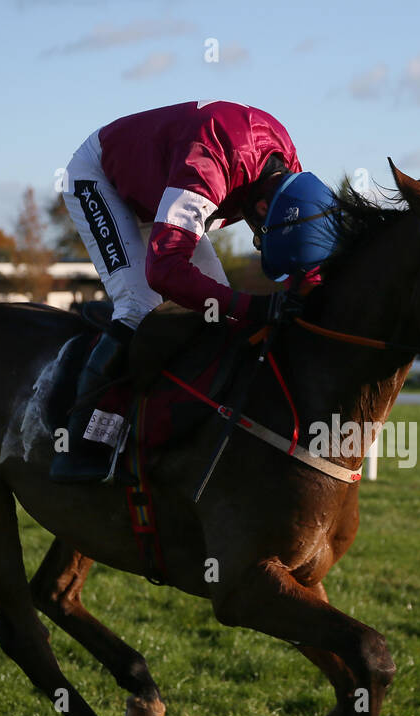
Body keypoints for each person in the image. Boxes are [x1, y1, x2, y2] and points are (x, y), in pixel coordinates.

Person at [53, 100, 340, 482]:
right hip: (102, 177)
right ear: (259, 206)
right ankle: (83, 445)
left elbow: (303, 260)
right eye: (259, 231)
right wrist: (253, 308)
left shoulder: (291, 182)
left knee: (216, 310)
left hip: (163, 181)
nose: (255, 238)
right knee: (140, 304)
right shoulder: (210, 164)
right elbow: (164, 270)